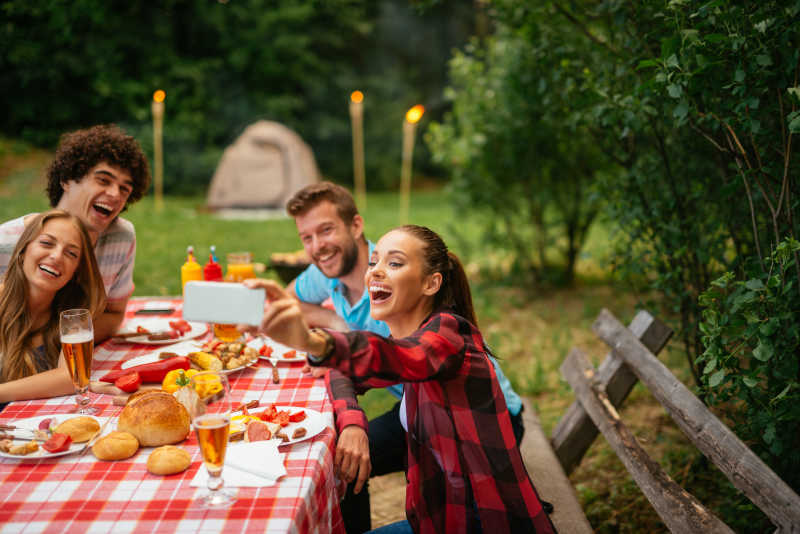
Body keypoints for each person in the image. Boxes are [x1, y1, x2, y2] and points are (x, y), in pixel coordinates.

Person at [245, 225, 554, 533]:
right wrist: (353, 423)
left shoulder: (447, 336)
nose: (375, 272)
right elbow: (344, 371)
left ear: (431, 283)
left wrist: (316, 343)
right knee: (343, 462)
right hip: (437, 518)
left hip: (485, 522)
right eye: (374, 262)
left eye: (394, 263)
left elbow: (392, 356)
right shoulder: (407, 336)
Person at [0, 124, 150, 342]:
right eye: (103, 180)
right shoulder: (6, 241)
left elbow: (115, 314)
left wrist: (60, 342)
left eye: (124, 188)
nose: (115, 194)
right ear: (67, 179)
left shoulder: (121, 237)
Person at [0, 210, 106, 408]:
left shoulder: (72, 314)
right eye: (46, 243)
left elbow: (70, 378)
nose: (56, 256)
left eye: (71, 253)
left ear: (76, 272)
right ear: (23, 251)